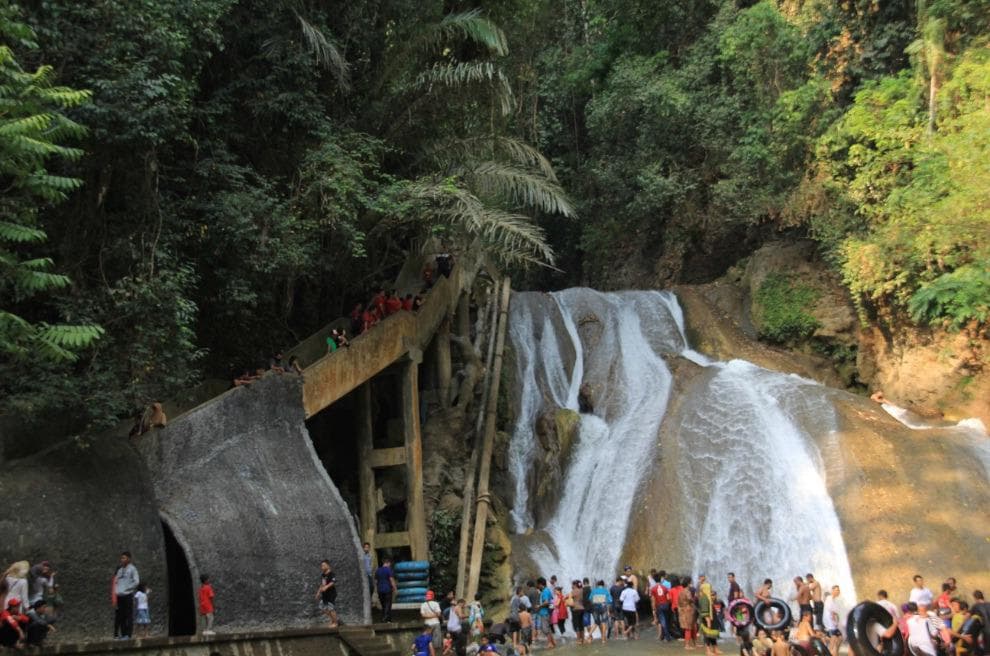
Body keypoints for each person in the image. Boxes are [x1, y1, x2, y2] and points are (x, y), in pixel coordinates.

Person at [113, 551, 139, 639]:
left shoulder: (132, 569)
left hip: (127, 595)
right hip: (120, 596)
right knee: (121, 616)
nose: (122, 560)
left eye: (124, 558)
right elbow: (116, 582)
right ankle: (123, 634)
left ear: (128, 559)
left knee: (128, 615)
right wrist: (117, 591)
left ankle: (128, 634)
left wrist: (128, 588)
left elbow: (136, 581)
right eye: (121, 558)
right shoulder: (120, 570)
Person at [822, 585, 846, 656]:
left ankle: (835, 652)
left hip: (833, 625)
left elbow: (834, 612)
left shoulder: (833, 599)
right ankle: (829, 653)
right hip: (830, 625)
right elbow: (831, 612)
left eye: (839, 590)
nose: (838, 591)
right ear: (832, 591)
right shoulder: (829, 599)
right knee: (834, 640)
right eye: (837, 590)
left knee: (840, 638)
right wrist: (834, 617)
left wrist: (836, 619)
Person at [316, 560, 337, 628]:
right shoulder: (323, 575)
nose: (322, 567)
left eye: (324, 565)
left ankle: (335, 623)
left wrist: (326, 587)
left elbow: (333, 582)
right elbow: (322, 584)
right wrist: (318, 592)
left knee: (331, 608)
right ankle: (333, 619)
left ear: (328, 565)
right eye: (321, 566)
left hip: (331, 594)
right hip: (324, 595)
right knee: (322, 607)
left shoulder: (331, 574)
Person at [374, 558, 396, 623]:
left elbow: (376, 581)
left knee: (383, 605)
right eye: (390, 564)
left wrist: (377, 589)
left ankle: (388, 619)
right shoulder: (388, 570)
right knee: (388, 605)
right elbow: (391, 579)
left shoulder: (378, 570)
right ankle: (384, 618)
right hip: (387, 590)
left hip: (380, 590)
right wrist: (395, 588)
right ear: (388, 563)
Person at [591, 579, 613, 644]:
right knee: (604, 623)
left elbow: (590, 599)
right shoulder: (605, 591)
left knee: (596, 622)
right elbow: (610, 600)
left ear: (598, 585)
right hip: (603, 608)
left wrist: (596, 601)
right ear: (603, 585)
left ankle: (588, 636)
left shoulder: (594, 590)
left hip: (595, 608)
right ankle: (603, 639)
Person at [679, 577, 697, 650]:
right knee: (688, 628)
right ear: (688, 583)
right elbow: (690, 599)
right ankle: (687, 645)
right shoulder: (687, 591)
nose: (691, 584)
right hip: (688, 611)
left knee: (691, 627)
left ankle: (694, 644)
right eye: (691, 582)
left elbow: (680, 602)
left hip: (683, 611)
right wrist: (695, 598)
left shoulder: (681, 591)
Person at [537, 578, 556, 648]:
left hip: (545, 612)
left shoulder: (545, 591)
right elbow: (551, 599)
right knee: (548, 628)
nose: (537, 586)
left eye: (538, 584)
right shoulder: (547, 590)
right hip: (547, 612)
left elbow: (547, 602)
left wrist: (539, 606)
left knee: (545, 629)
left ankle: (549, 644)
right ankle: (553, 642)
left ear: (540, 584)